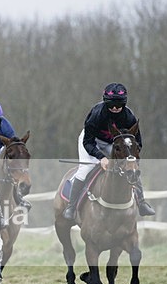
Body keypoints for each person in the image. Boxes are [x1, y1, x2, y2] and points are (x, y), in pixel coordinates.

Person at [62, 82, 155, 220]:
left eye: (119, 105)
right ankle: (71, 207)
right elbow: (88, 142)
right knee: (84, 170)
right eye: (112, 105)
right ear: (106, 103)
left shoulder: (129, 117)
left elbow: (137, 143)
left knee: (131, 167)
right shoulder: (96, 114)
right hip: (91, 141)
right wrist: (101, 158)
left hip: (114, 143)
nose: (116, 108)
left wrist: (131, 159)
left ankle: (141, 203)